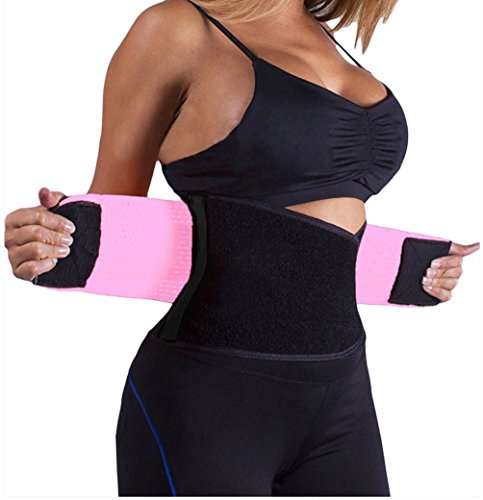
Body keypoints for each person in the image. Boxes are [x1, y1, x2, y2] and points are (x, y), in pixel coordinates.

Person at [4, 0, 479, 496]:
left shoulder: (325, 37)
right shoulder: (178, 31)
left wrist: (408, 270)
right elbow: (116, 218)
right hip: (210, 397)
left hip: (342, 393)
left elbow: (318, 240)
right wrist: (50, 239)